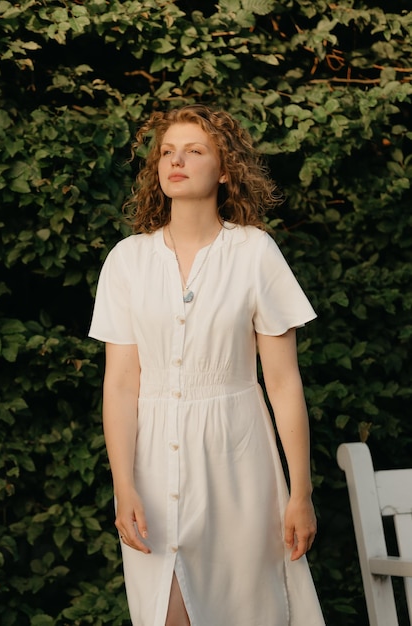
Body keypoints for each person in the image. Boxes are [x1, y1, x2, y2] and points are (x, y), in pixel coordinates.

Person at [89, 104, 325, 626]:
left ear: (224, 170)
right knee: (164, 612)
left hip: (238, 461)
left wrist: (300, 493)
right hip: (149, 466)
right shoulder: (127, 260)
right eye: (167, 152)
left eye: (195, 150)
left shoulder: (254, 252)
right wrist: (123, 484)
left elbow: (283, 384)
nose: (177, 160)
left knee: (247, 610)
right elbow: (122, 384)